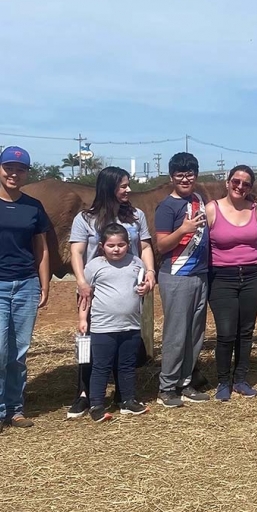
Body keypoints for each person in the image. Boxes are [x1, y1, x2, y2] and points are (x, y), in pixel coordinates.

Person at [67, 166, 156, 419]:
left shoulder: (136, 216)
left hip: (128, 288)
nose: (128, 189)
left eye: (128, 185)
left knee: (125, 343)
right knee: (93, 345)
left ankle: (123, 395)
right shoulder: (85, 218)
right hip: (95, 289)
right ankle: (86, 395)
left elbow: (145, 246)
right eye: (123, 185)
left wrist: (150, 273)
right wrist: (82, 281)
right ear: (108, 187)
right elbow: (76, 252)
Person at [205, 165, 257, 401]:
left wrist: (246, 258)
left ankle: (240, 379)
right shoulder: (212, 209)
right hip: (222, 278)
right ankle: (223, 381)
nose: (240, 186)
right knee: (226, 331)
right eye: (236, 181)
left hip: (253, 276)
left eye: (246, 184)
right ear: (227, 182)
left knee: (246, 330)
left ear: (251, 187)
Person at [154, 152, 211, 408]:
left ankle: (185, 382)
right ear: (171, 177)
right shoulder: (167, 206)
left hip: (200, 274)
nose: (185, 179)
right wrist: (183, 230)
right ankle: (166, 387)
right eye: (180, 175)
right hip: (176, 275)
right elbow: (162, 244)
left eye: (190, 174)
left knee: (195, 333)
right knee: (176, 333)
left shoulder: (200, 198)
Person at [79, 224, 151, 422]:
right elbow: (85, 296)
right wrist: (83, 319)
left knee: (127, 365)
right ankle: (97, 404)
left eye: (121, 244)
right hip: (103, 327)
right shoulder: (94, 266)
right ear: (102, 246)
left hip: (131, 325)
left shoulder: (136, 263)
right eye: (111, 245)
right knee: (101, 366)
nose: (116, 249)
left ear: (128, 244)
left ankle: (127, 400)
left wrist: (145, 288)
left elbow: (142, 285)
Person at [0, 146, 50, 431]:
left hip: (25, 284)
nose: (14, 173)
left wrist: (44, 284)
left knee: (18, 352)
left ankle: (15, 409)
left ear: (27, 173)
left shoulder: (33, 206)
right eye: (8, 168)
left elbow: (41, 248)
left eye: (20, 169)